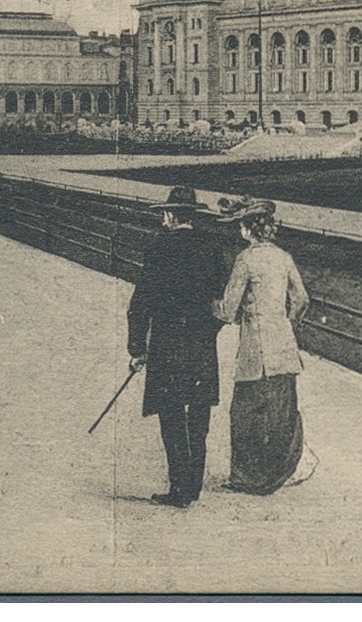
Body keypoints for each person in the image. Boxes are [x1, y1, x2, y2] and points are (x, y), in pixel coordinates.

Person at [126, 186, 232, 507]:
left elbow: (141, 302)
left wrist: (137, 348)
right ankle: (193, 487)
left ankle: (178, 489)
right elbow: (221, 302)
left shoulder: (159, 247)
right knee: (198, 417)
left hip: (167, 344)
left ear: (171, 215)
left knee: (172, 416)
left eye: (165, 213)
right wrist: (208, 331)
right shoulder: (211, 247)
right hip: (200, 346)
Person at [213, 197, 314, 495]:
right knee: (282, 413)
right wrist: (286, 323)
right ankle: (279, 473)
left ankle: (247, 478)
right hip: (283, 345)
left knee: (245, 415)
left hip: (256, 351)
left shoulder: (245, 259)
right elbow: (302, 300)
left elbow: (229, 309)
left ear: (247, 230)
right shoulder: (284, 257)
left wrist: (210, 306)